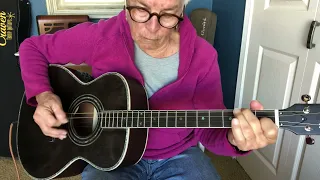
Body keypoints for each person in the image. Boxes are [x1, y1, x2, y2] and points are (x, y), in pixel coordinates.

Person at [18, 0, 279, 179]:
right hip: (109, 156)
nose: (152, 28)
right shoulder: (101, 36)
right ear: (127, 4)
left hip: (179, 155)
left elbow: (209, 132)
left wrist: (236, 140)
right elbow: (32, 48)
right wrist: (43, 94)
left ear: (181, 9)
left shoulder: (203, 57)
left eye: (167, 14)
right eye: (141, 10)